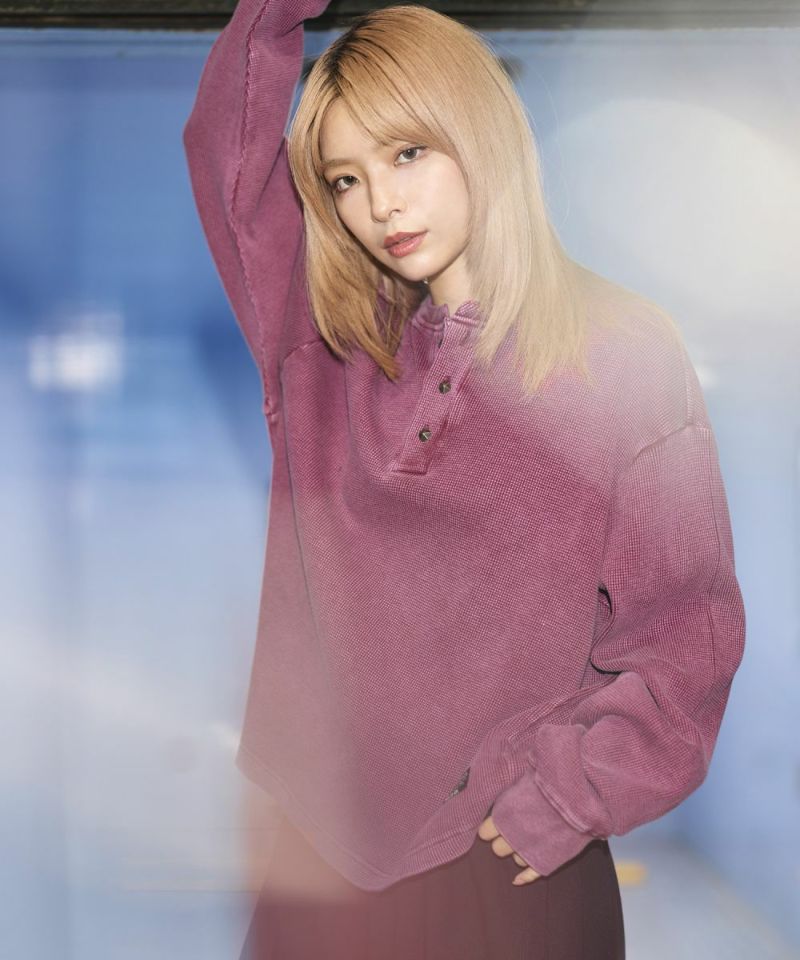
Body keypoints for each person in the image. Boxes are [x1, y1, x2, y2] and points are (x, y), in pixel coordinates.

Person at [182, 1, 746, 957]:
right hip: (319, 867)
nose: (381, 204)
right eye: (346, 178)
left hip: (512, 862)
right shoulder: (319, 350)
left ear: (478, 133)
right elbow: (227, 156)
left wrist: (564, 797)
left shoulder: (621, 354)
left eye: (407, 154)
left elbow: (687, 632)